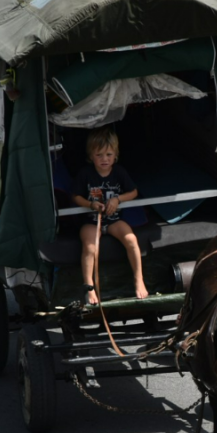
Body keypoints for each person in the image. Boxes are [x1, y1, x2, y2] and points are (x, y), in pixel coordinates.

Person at [71, 127, 148, 303]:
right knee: (90, 247)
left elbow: (134, 192)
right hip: (91, 221)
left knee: (131, 240)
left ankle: (139, 280)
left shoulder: (119, 172)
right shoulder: (85, 174)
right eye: (99, 155)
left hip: (114, 220)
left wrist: (117, 200)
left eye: (108, 154)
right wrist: (90, 204)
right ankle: (89, 287)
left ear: (115, 155)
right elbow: (75, 196)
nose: (104, 159)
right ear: (91, 156)